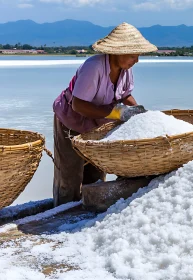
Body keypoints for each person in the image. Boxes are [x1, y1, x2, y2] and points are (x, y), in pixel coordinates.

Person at [51, 23, 157, 206]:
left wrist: (139, 112)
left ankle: (89, 211)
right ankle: (61, 214)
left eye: (138, 55)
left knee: (97, 169)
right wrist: (117, 112)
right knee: (69, 173)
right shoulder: (94, 67)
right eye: (133, 55)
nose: (137, 60)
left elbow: (125, 94)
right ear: (117, 52)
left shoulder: (125, 70)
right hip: (71, 120)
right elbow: (78, 104)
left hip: (98, 122)